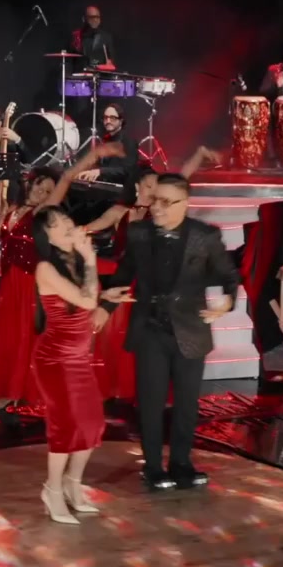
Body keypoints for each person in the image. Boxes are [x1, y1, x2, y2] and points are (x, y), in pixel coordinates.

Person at [96, 172, 241, 491]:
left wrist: (227, 301)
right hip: (150, 327)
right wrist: (104, 307)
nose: (156, 207)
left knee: (187, 403)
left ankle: (181, 462)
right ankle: (152, 466)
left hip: (190, 328)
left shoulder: (205, 236)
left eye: (165, 201)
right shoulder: (139, 233)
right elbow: (123, 276)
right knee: (151, 401)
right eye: (154, 200)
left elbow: (229, 276)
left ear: (184, 203)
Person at [0, 146, 112, 412]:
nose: (43, 192)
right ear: (30, 184)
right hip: (10, 283)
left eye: (49, 190)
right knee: (10, 338)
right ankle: (10, 389)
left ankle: (22, 390)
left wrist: (87, 160)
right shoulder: (11, 211)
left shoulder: (42, 212)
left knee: (26, 336)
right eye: (40, 185)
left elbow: (65, 180)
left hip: (30, 283)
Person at [86, 146, 220, 401]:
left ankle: (149, 392)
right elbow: (90, 227)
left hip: (150, 284)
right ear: (138, 186)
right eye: (149, 186)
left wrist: (199, 154)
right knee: (118, 339)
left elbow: (183, 177)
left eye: (158, 188)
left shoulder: (158, 216)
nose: (154, 192)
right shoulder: (119, 212)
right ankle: (122, 390)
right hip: (124, 281)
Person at [31, 206, 112, 524]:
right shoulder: (45, 268)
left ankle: (72, 484)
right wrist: (90, 259)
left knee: (93, 424)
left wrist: (86, 259)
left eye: (66, 219)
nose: (65, 225)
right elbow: (88, 301)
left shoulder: (75, 262)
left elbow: (91, 302)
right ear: (46, 236)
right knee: (66, 426)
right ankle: (52, 490)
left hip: (79, 358)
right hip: (55, 359)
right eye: (56, 224)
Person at [76, 103, 137, 185]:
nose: (108, 121)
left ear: (121, 121)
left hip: (121, 189)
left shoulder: (129, 141)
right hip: (106, 186)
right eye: (105, 117)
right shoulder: (105, 140)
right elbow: (102, 166)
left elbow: (127, 170)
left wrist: (100, 171)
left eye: (112, 118)